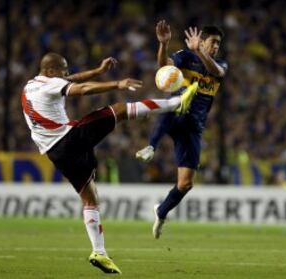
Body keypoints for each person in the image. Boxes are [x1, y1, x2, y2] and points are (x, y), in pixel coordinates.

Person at [21, 52, 198, 274]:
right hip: (68, 139)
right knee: (120, 110)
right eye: (63, 69)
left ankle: (99, 252)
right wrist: (117, 83)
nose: (67, 73)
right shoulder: (51, 85)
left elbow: (71, 80)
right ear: (50, 71)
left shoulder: (31, 86)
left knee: (90, 199)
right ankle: (177, 103)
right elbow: (82, 89)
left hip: (56, 153)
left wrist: (96, 71)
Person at [136, 20, 228, 239]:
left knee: (186, 184)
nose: (216, 47)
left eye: (218, 44)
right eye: (213, 42)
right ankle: (151, 146)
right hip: (176, 114)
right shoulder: (185, 57)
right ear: (203, 41)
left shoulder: (220, 64)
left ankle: (161, 211)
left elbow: (217, 72)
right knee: (178, 101)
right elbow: (163, 67)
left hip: (194, 127)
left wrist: (200, 52)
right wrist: (163, 44)